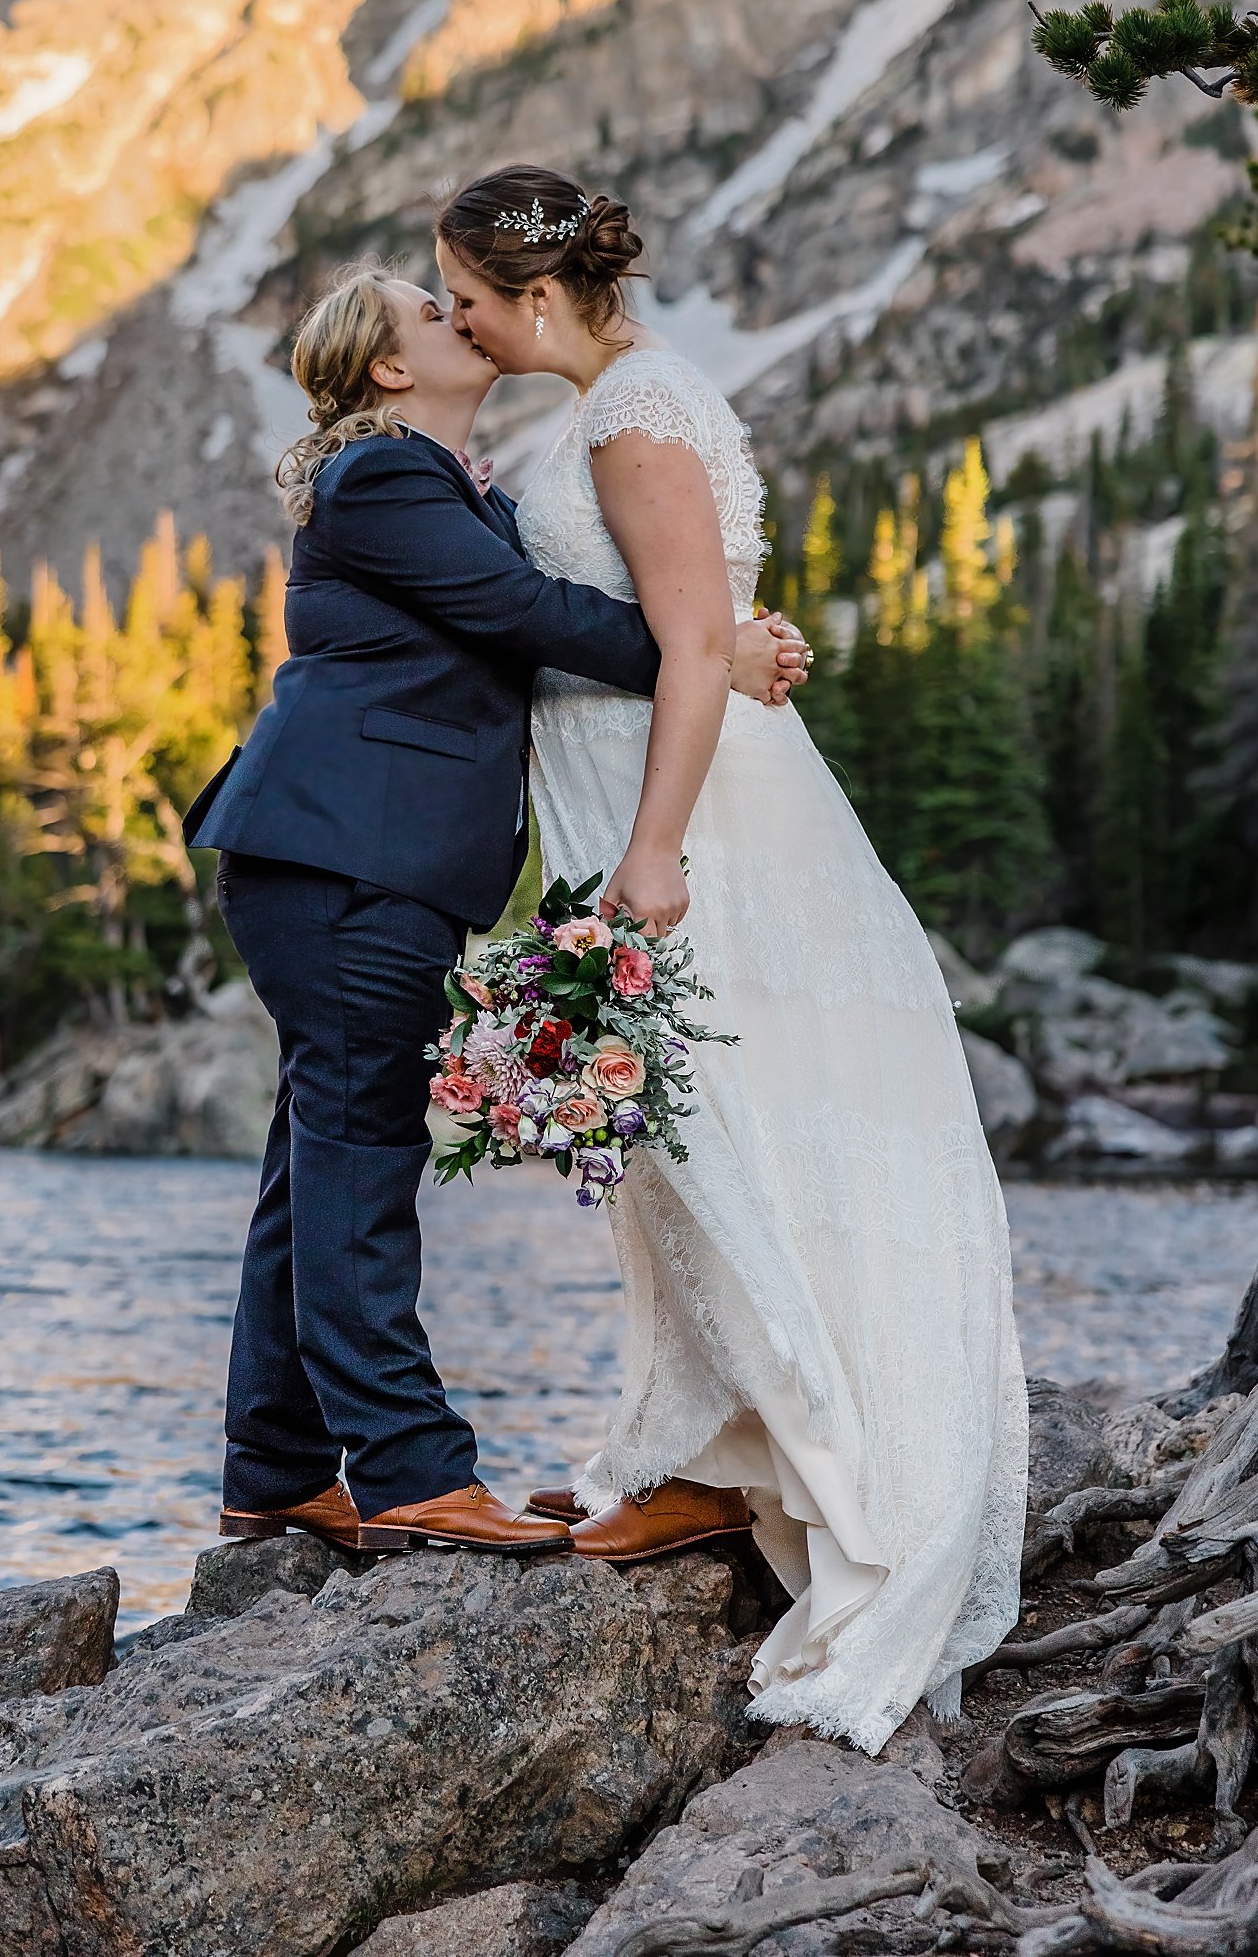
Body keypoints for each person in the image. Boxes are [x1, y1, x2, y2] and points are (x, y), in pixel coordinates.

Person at [434, 168, 1027, 1749]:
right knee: (687, 1143)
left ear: (535, 296)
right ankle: (704, 1438)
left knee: (717, 1134)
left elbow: (697, 640)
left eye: (467, 298)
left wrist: (651, 850)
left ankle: (776, 1457)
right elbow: (703, 624)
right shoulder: (636, 391)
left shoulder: (632, 415)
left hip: (689, 822)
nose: (458, 325)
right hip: (673, 793)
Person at [182, 265, 807, 1559]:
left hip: (346, 854)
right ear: (391, 368)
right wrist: (709, 652)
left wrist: (709, 631)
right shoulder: (388, 477)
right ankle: (411, 1467)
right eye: (430, 310)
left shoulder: (445, 486)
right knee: (359, 1155)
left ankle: (280, 1468)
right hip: (346, 854)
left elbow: (520, 603)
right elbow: (521, 612)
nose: (458, 317)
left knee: (318, 1158)